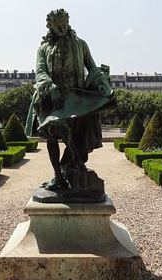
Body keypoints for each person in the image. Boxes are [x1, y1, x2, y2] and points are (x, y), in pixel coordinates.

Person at [25, 9, 114, 190]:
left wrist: (102, 85)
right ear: (50, 26)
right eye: (58, 25)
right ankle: (59, 176)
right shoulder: (43, 49)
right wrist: (49, 86)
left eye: (64, 23)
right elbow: (40, 71)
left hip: (76, 98)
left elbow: (92, 68)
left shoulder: (80, 44)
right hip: (53, 99)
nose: (62, 27)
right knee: (52, 132)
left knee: (74, 136)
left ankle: (74, 166)